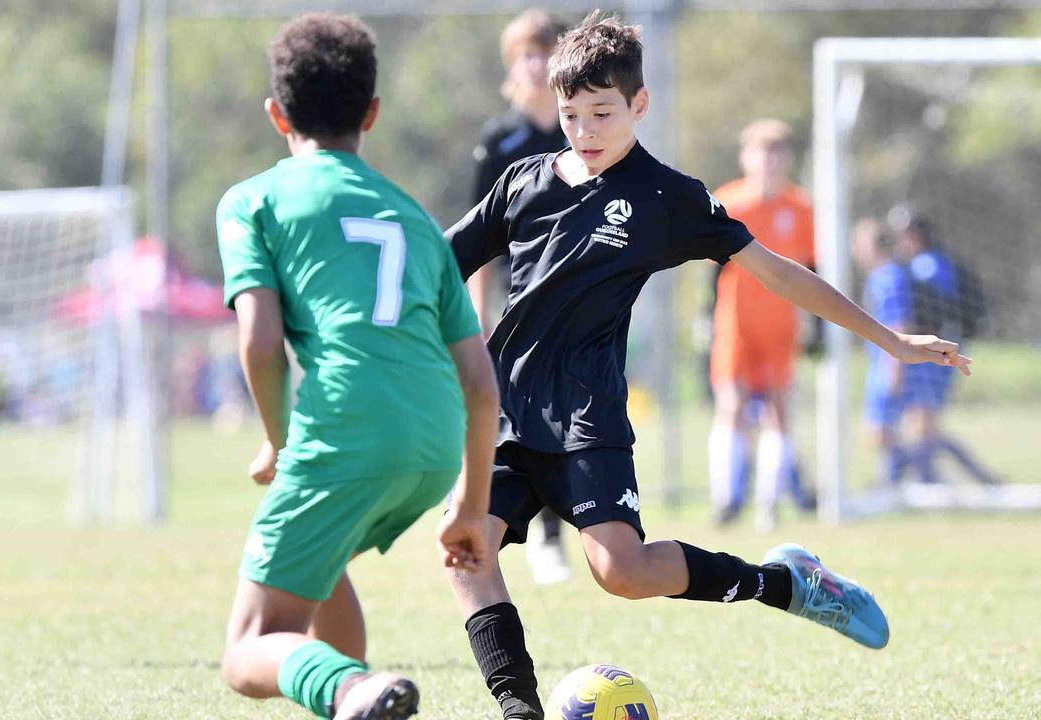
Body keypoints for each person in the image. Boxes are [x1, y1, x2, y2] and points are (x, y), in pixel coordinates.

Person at [443, 14, 971, 720]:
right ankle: (518, 708)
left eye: (602, 113)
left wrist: (890, 340)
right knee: (466, 552)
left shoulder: (665, 198)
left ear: (639, 104)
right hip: (504, 414)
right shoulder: (523, 183)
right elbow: (437, 262)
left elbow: (779, 275)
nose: (584, 130)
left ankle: (785, 584)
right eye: (571, 116)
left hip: (584, 415)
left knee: (621, 574)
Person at [215, 14, 499, 720]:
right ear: (372, 113)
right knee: (321, 561)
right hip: (434, 440)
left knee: (250, 646)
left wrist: (280, 440)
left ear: (275, 115)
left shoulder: (252, 200)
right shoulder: (414, 218)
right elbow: (480, 381)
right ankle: (360, 702)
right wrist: (468, 504)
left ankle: (350, 689)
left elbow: (258, 338)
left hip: (347, 425)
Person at [468, 9, 573, 586]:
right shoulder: (499, 140)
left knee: (571, 413)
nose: (535, 63)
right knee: (520, 418)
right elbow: (479, 237)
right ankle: (523, 532)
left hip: (579, 297)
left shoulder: (581, 128)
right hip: (518, 298)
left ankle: (557, 534)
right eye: (525, 54)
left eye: (544, 51)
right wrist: (478, 317)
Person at [708, 118, 816, 530]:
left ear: (787, 159)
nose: (769, 161)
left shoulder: (801, 207)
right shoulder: (729, 201)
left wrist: (816, 324)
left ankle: (768, 503)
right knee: (731, 407)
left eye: (777, 153)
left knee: (778, 410)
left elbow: (810, 266)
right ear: (745, 157)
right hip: (735, 322)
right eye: (761, 152)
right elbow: (711, 269)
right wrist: (706, 317)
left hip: (780, 324)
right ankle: (726, 499)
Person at [891, 209, 998, 485]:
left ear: (914, 235)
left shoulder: (927, 266)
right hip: (937, 352)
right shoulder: (936, 263)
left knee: (922, 420)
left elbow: (935, 313)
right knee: (922, 422)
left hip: (936, 354)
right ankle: (930, 478)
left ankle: (931, 480)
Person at [852, 218, 913, 485]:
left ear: (872, 246)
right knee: (880, 431)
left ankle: (911, 474)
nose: (854, 250)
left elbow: (899, 322)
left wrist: (895, 367)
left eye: (858, 244)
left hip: (887, 364)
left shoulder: (889, 276)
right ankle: (893, 479)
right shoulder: (880, 276)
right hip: (880, 361)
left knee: (880, 430)